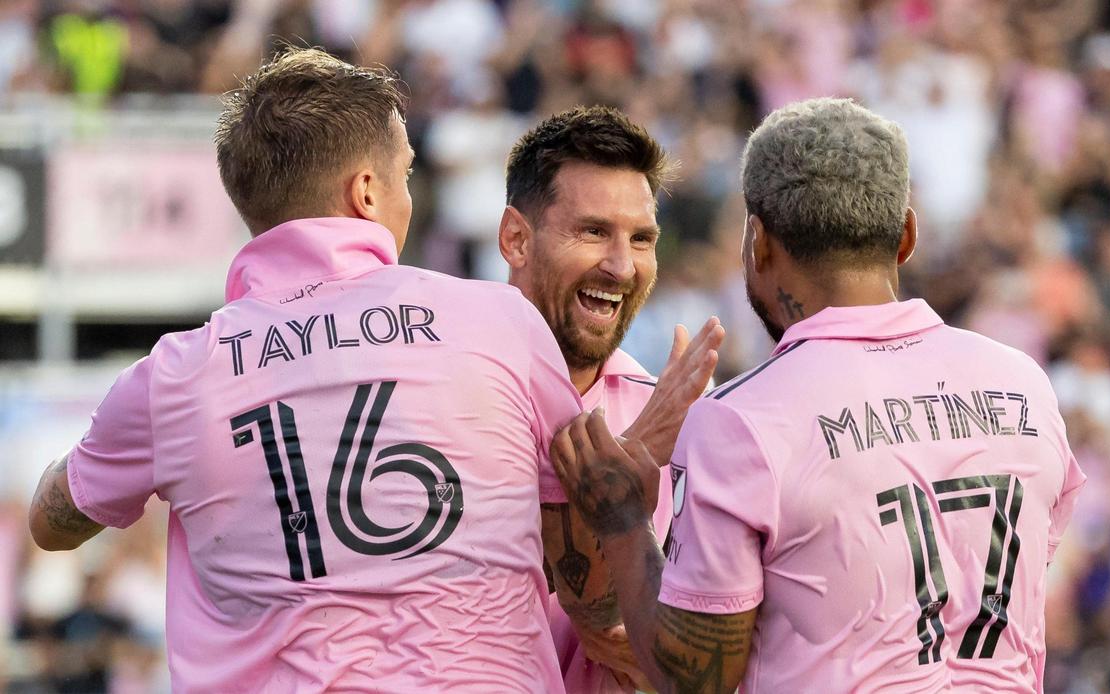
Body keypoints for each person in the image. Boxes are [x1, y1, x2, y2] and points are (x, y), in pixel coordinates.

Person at [26, 47, 713, 692]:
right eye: (405, 175)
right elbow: (590, 586)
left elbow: (53, 522)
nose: (409, 197)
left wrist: (112, 451)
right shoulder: (499, 322)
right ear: (365, 193)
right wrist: (641, 451)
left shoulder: (174, 377)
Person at [551, 97, 1087, 693]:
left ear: (758, 242)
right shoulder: (1024, 384)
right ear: (907, 235)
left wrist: (624, 522)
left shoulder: (742, 419)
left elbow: (695, 677)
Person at [499, 105, 723, 693]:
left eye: (642, 239)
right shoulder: (440, 389)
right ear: (516, 239)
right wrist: (640, 445)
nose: (622, 267)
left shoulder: (691, 418)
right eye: (594, 231)